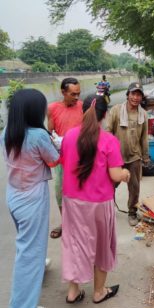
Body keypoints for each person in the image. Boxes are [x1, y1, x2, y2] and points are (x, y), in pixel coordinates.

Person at [60, 94, 130, 304]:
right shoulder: (109, 140)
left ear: (83, 113)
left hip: (72, 201)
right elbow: (116, 175)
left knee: (75, 243)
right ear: (105, 115)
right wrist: (126, 174)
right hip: (99, 202)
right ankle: (99, 292)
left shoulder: (69, 136)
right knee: (101, 244)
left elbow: (66, 164)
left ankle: (73, 292)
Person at [1, 89, 59, 308]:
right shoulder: (37, 135)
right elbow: (54, 160)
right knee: (29, 251)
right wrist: (57, 143)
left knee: (26, 241)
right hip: (32, 197)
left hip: (14, 194)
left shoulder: (7, 132)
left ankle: (38, 263)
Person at [106, 82, 149, 226]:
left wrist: (146, 156)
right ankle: (108, 209)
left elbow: (144, 136)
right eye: (133, 94)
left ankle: (132, 212)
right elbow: (107, 132)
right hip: (116, 157)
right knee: (110, 184)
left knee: (134, 187)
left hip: (134, 157)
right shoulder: (116, 111)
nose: (136, 97)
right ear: (128, 95)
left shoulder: (143, 114)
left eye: (139, 95)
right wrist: (106, 154)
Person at [47, 77, 83, 238]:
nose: (76, 98)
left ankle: (81, 223)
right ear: (63, 92)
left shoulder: (83, 107)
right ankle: (66, 222)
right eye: (73, 94)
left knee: (81, 191)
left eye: (78, 94)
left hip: (81, 157)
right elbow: (49, 133)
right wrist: (57, 141)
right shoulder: (52, 108)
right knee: (60, 191)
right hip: (62, 159)